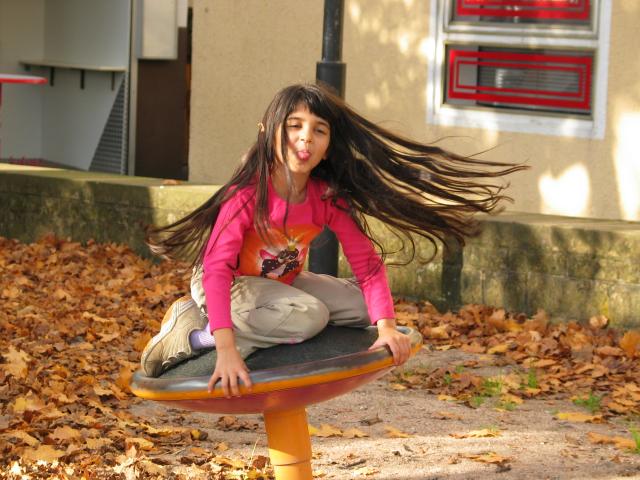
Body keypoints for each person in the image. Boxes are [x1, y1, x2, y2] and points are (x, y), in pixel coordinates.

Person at [140, 83, 525, 397]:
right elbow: (217, 269)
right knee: (309, 316)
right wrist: (225, 350)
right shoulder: (247, 195)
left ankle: (267, 322)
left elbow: (367, 264)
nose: (305, 138)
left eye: (318, 130)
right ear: (269, 131)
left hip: (277, 284)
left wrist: (387, 326)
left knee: (361, 308)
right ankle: (194, 333)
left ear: (327, 148)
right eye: (294, 126)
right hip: (224, 285)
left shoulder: (326, 197)